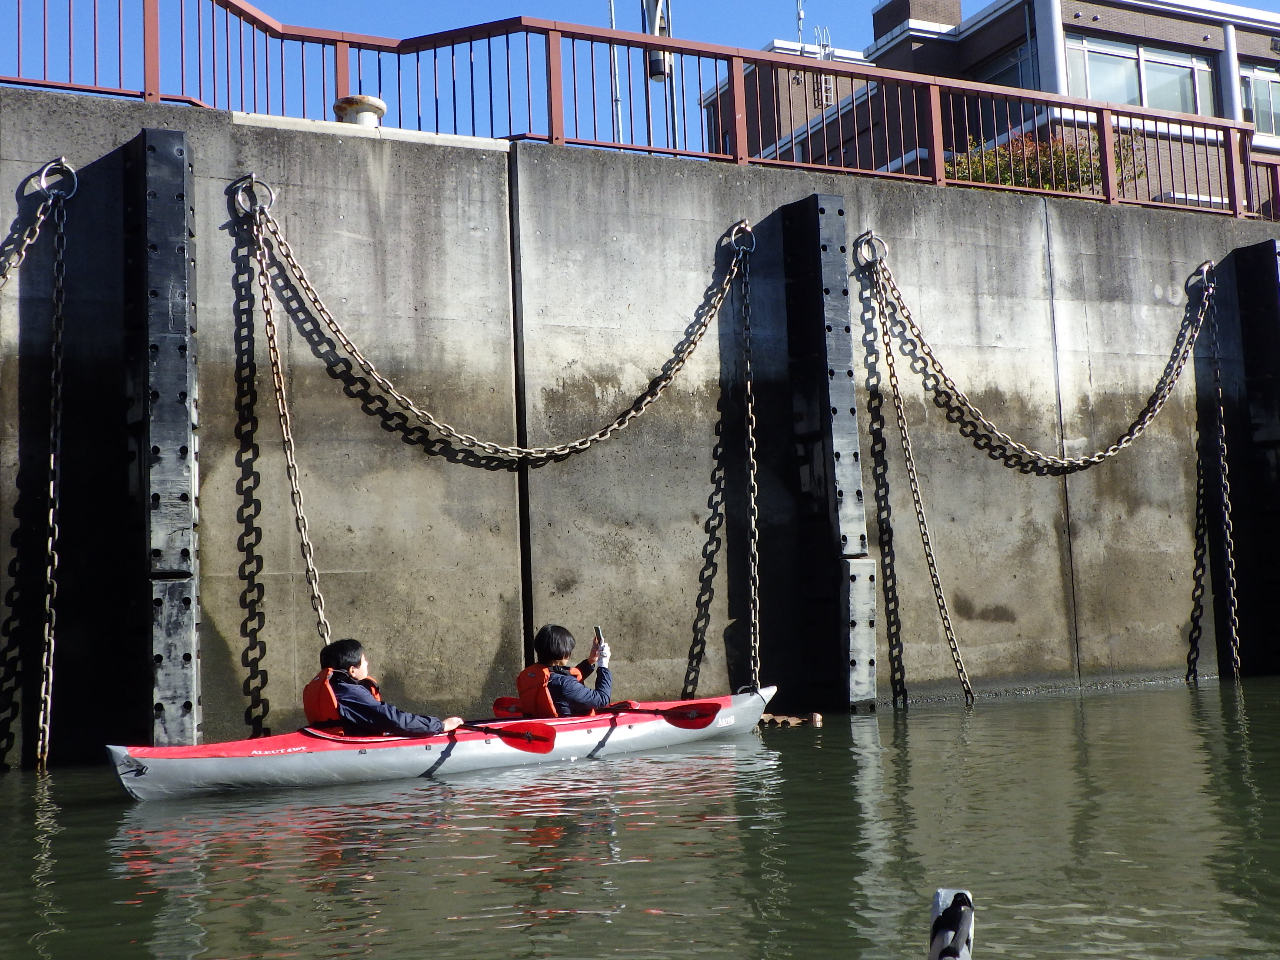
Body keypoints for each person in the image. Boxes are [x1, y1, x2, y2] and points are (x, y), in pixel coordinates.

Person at [303, 638, 463, 737]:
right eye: (364, 660)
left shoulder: (336, 688)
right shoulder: (349, 693)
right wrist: (440, 726)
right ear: (352, 670)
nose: (367, 664)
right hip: (344, 749)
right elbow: (394, 720)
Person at [516, 624, 613, 718]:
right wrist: (603, 665)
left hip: (542, 725)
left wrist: (590, 661)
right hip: (572, 730)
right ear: (564, 653)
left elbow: (567, 678)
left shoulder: (531, 674)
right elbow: (602, 699)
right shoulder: (564, 684)